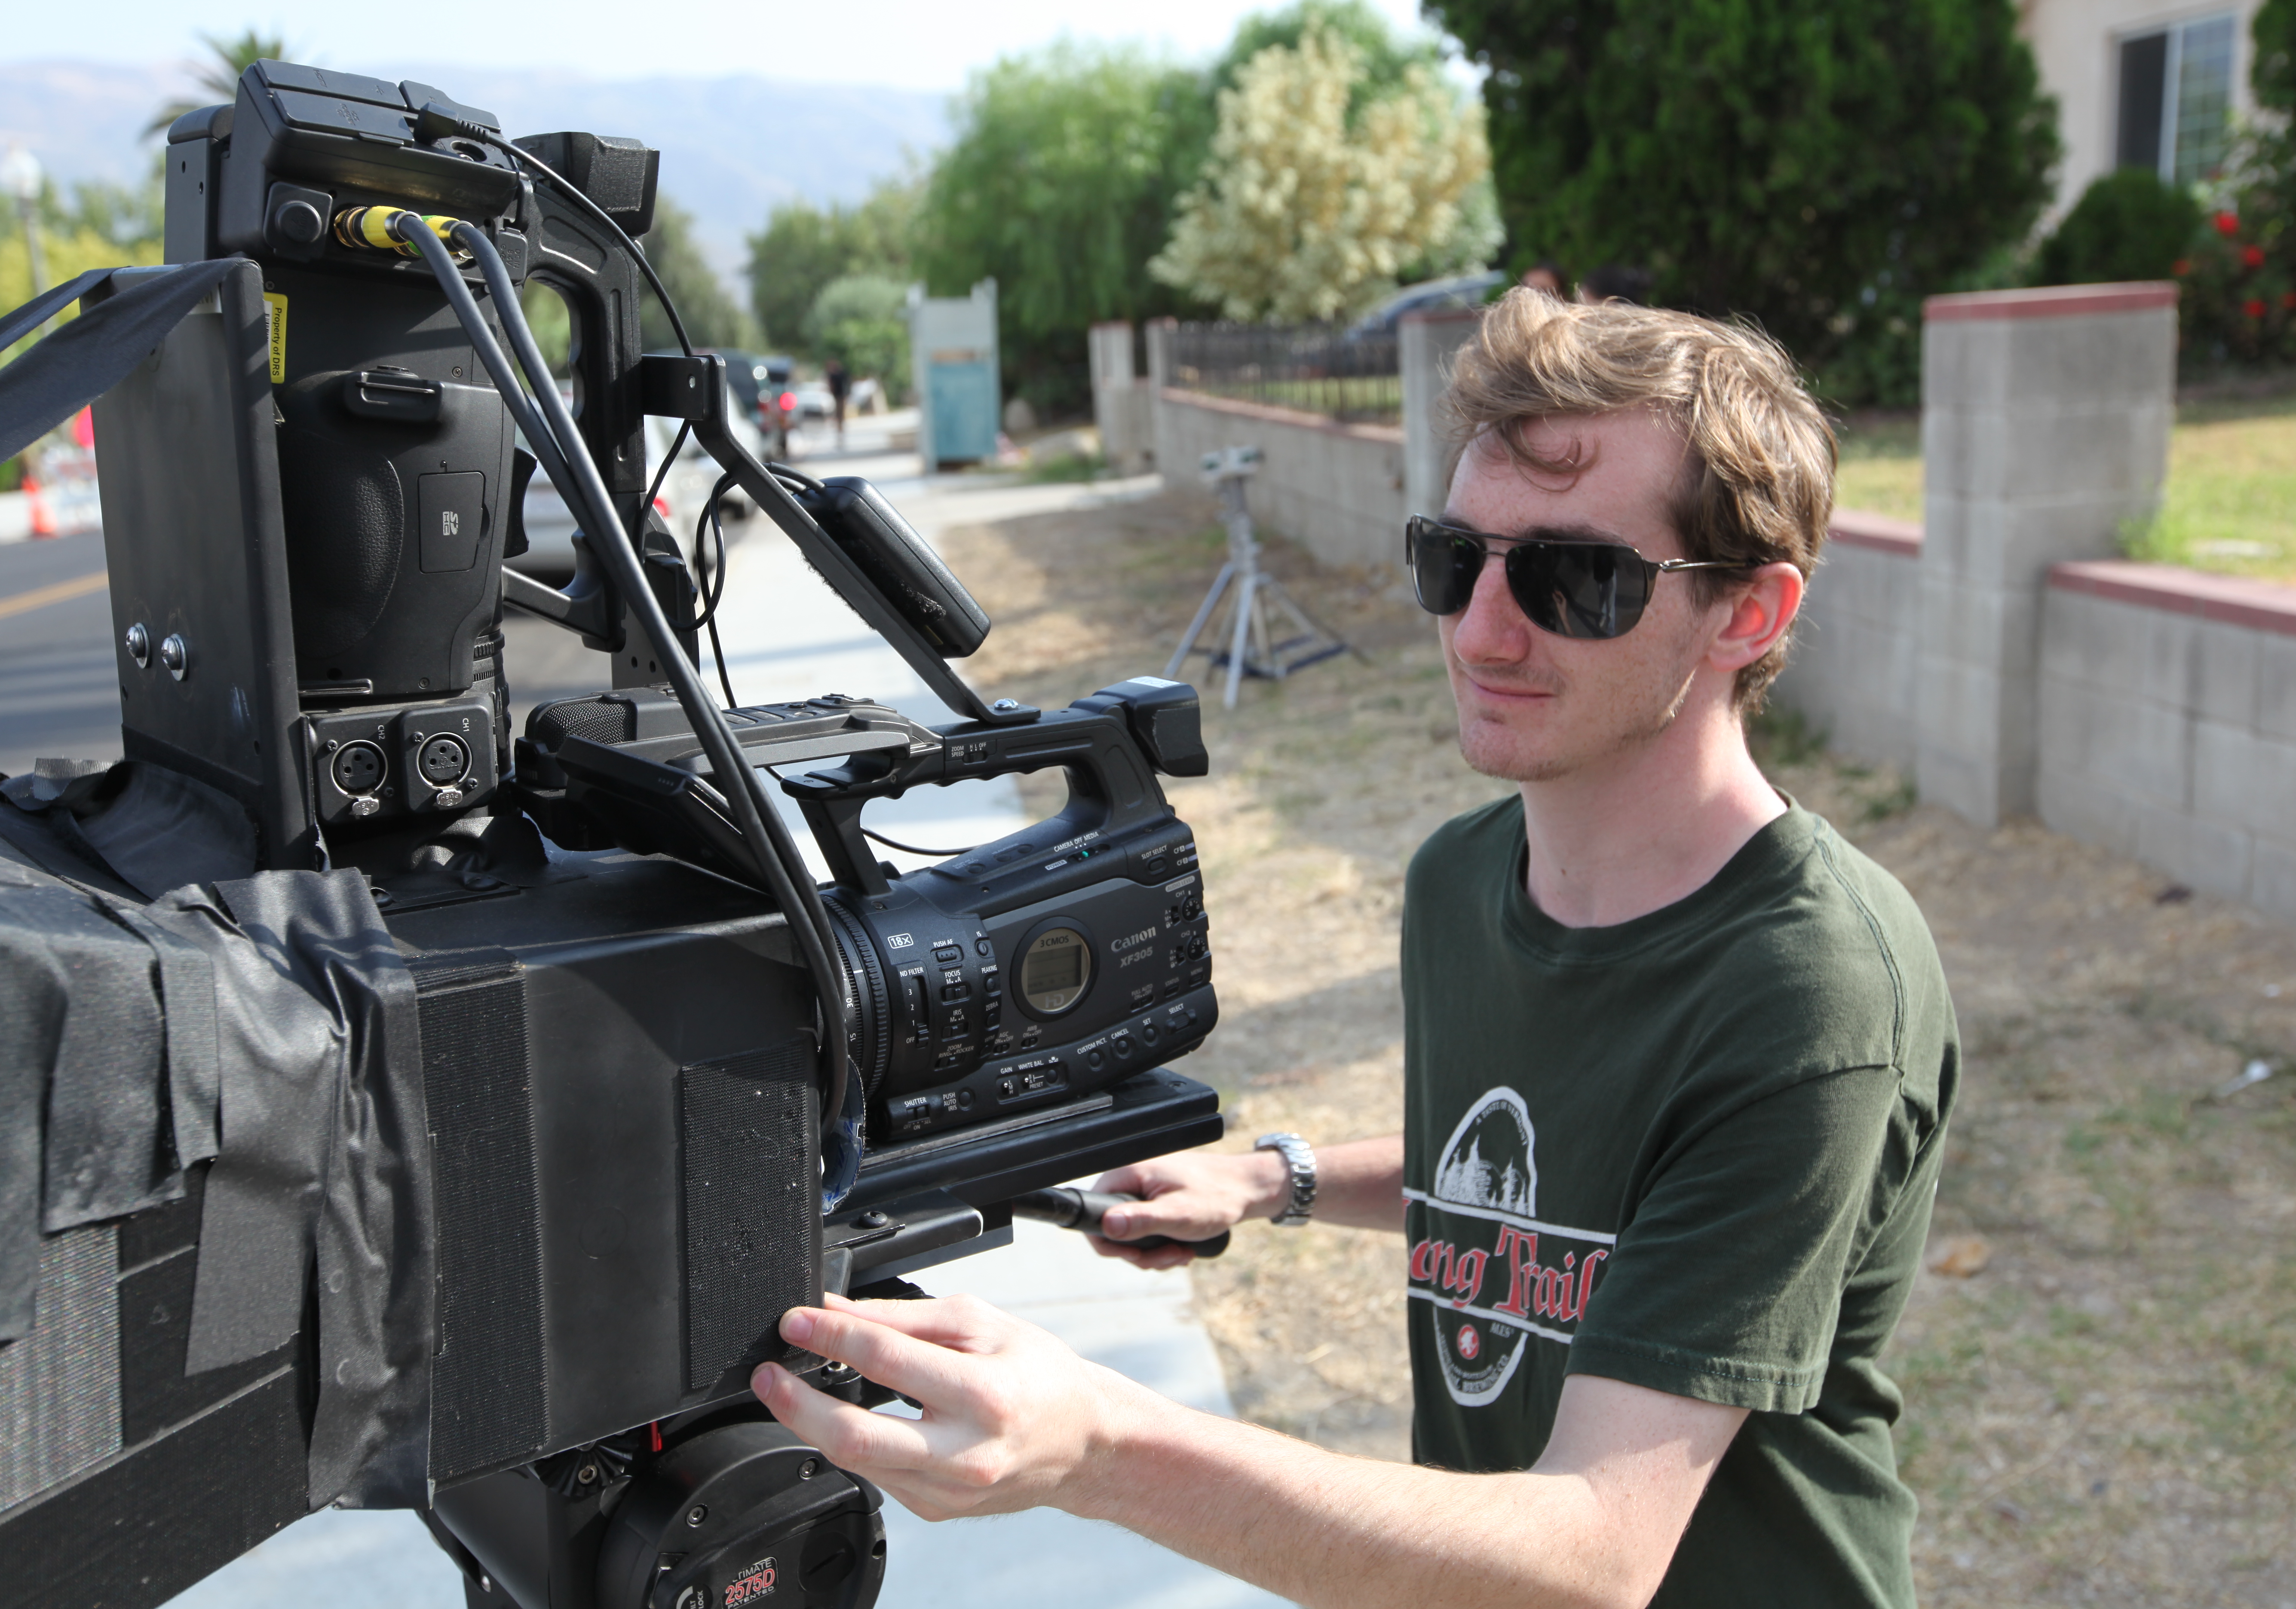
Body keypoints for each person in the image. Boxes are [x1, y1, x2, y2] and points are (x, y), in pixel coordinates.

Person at [751, 288, 1959, 1609]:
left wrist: (1098, 1446)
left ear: (1748, 615)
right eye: (1456, 559)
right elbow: (1544, 1195)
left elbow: (1598, 1553)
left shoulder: (1811, 993)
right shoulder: (1462, 882)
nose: (1483, 631)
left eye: (1574, 580)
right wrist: (1280, 1181)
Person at [825, 355, 852, 446]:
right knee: (838, 416)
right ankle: (840, 434)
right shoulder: (832, 375)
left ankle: (841, 434)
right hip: (837, 397)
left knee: (840, 416)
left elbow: (846, 385)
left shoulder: (841, 374)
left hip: (841, 397)